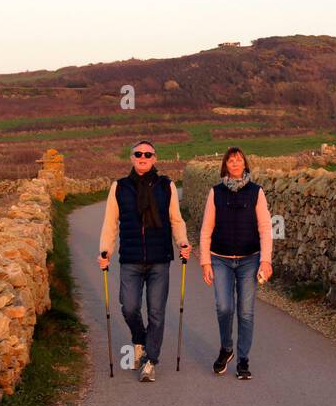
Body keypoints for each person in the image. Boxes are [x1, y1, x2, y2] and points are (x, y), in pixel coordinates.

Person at [98, 140, 190, 382]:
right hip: (130, 259)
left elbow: (176, 220)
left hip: (160, 259)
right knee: (129, 307)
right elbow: (110, 224)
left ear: (154, 158)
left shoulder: (166, 186)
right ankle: (139, 340)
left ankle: (150, 361)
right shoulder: (119, 187)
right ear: (131, 158)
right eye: (138, 154)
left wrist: (182, 242)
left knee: (157, 313)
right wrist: (104, 251)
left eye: (147, 154)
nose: (142, 157)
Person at [199, 146, 272, 380]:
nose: (235, 163)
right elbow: (206, 229)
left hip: (249, 260)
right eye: (231, 160)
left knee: (246, 312)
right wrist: (205, 262)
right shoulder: (216, 192)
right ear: (225, 166)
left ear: (245, 164)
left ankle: (243, 360)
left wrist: (266, 260)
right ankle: (226, 348)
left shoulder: (256, 192)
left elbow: (265, 228)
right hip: (219, 259)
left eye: (239, 160)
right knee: (224, 307)